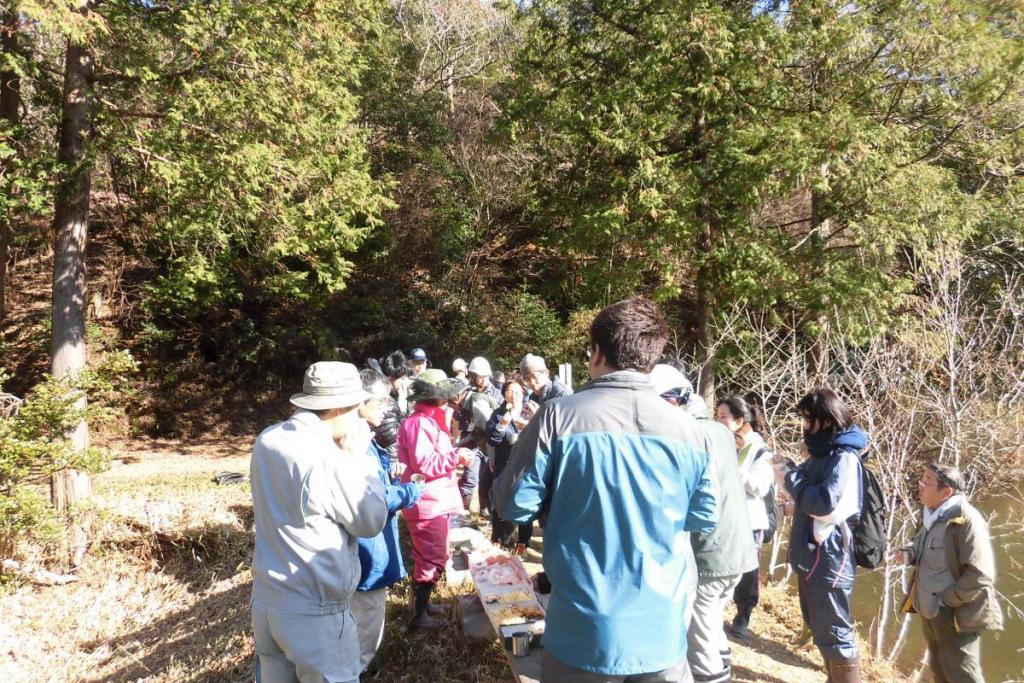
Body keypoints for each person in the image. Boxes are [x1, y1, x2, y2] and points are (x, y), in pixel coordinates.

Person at [493, 298, 718, 682]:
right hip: (664, 632)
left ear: (597, 352)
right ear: (651, 358)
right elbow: (703, 516)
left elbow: (513, 504)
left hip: (584, 631)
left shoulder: (559, 417)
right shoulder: (692, 431)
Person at [250, 362, 388, 683]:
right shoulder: (328, 458)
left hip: (268, 599)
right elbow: (370, 520)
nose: (359, 418)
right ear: (339, 407)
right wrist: (358, 460)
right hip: (315, 610)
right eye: (355, 409)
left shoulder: (268, 439)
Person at [652, 365, 756, 683]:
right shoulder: (717, 429)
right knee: (713, 621)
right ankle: (721, 662)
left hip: (712, 550)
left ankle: (712, 674)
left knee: (701, 632)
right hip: (738, 546)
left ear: (670, 402)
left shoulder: (688, 434)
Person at [774, 388, 867, 683]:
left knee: (835, 629)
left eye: (808, 419)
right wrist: (790, 472)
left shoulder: (843, 458)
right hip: (814, 552)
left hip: (831, 554)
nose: (804, 425)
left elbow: (825, 503)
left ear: (825, 420)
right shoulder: (823, 454)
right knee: (820, 623)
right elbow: (808, 495)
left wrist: (789, 475)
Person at [895, 462, 1002, 683]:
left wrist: (947, 600)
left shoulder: (966, 519)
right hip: (930, 609)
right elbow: (923, 547)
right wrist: (908, 554)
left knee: (963, 674)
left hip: (955, 613)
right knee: (939, 669)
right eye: (922, 478)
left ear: (946, 492)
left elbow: (981, 574)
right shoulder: (931, 514)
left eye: (927, 481)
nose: (920, 484)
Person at [351, 369, 426, 674]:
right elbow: (377, 501)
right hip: (367, 550)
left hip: (365, 549)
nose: (386, 408)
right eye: (380, 401)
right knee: (366, 621)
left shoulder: (365, 441)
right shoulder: (355, 446)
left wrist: (388, 470)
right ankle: (356, 671)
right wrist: (411, 490)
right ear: (359, 401)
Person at [396, 368, 473, 631]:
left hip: (434, 499)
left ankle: (423, 606)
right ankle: (418, 617)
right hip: (427, 501)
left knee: (431, 554)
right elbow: (425, 463)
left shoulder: (429, 419)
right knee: (431, 556)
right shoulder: (419, 423)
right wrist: (457, 456)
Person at [715, 395, 775, 639]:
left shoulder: (759, 449)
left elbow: (761, 488)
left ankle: (743, 615)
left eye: (722, 417)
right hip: (724, 515)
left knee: (748, 570)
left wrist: (735, 469)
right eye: (716, 416)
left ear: (739, 420)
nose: (717, 421)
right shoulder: (721, 441)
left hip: (750, 520)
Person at [485, 378, 535, 554]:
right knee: (499, 500)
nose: (513, 396)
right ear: (504, 395)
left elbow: (544, 435)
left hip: (526, 466)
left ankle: (523, 542)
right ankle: (497, 538)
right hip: (504, 464)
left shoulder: (531, 411)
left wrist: (528, 426)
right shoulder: (498, 414)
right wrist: (502, 425)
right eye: (508, 392)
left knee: (525, 501)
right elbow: (491, 439)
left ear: (523, 394)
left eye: (516, 392)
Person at [457, 356, 502, 512]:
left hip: (490, 442)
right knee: (470, 478)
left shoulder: (497, 394)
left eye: (485, 376)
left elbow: (501, 415)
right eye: (479, 376)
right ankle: (463, 511)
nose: (482, 380)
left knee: (487, 479)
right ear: (473, 376)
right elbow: (459, 417)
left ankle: (485, 510)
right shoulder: (465, 393)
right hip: (472, 442)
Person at [382, 350, 412, 414]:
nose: (405, 381)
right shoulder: (381, 396)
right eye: (402, 378)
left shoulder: (403, 388)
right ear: (390, 377)